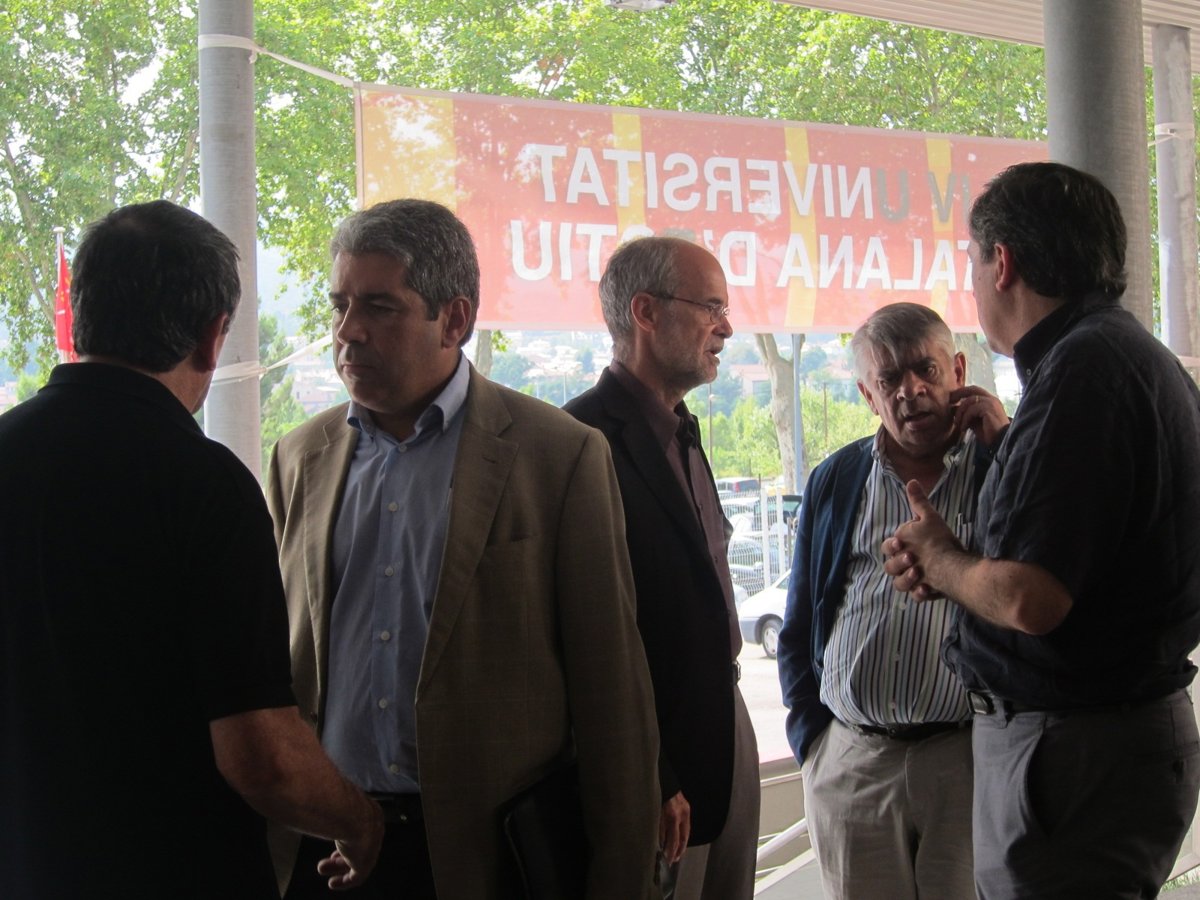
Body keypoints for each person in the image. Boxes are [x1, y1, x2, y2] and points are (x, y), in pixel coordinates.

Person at [266, 198, 661, 899]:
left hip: (484, 859)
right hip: (325, 847)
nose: (348, 332)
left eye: (379, 307)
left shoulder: (557, 456)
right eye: (340, 306)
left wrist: (621, 876)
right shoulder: (299, 458)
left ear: (455, 320)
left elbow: (611, 694)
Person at [0, 200, 383, 900]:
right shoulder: (205, 486)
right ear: (212, 337)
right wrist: (360, 823)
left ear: (81, 315)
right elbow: (260, 755)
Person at [883, 161, 1200, 900]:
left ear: (1003, 263)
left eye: (972, 262)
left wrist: (940, 558)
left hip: (1072, 755)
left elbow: (1033, 599)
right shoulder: (1133, 358)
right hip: (1107, 744)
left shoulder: (1082, 371)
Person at [776, 302, 1006, 900]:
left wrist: (1005, 447)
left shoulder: (1000, 468)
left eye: (926, 369)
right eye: (889, 379)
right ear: (867, 395)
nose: (911, 390)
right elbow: (800, 623)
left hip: (966, 759)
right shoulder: (836, 479)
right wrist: (813, 744)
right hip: (852, 764)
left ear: (958, 370)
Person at [564, 236, 760, 900]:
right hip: (653, 758)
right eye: (711, 307)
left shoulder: (684, 433)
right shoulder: (578, 442)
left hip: (727, 721)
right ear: (645, 312)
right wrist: (653, 770)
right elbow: (588, 634)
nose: (726, 328)